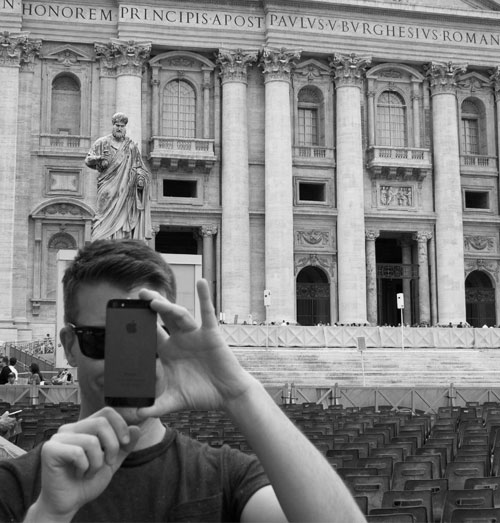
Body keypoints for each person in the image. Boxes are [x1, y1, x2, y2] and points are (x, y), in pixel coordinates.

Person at [0, 239, 365, 522]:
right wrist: (49, 514)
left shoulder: (226, 476)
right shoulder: (13, 485)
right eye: (102, 339)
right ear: (70, 346)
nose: (126, 360)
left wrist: (239, 392)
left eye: (144, 338)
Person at [85, 112, 152, 241]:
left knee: (123, 215)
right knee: (102, 214)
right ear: (113, 126)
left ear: (125, 128)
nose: (119, 128)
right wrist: (99, 158)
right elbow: (88, 160)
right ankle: (101, 239)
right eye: (117, 125)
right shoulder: (102, 142)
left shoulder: (131, 146)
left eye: (122, 126)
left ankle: (120, 240)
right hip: (107, 186)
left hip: (125, 189)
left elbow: (139, 166)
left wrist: (140, 178)